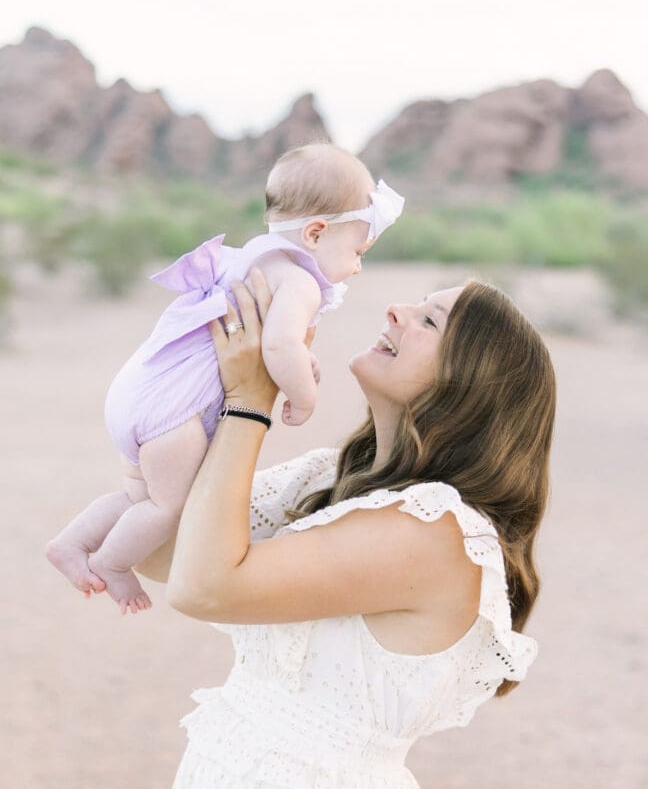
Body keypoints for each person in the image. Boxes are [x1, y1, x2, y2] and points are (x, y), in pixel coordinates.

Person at [114, 269, 556, 789]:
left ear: (468, 384)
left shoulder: (433, 529)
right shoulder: (334, 479)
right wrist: (192, 383)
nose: (397, 309)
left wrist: (250, 404)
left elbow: (203, 588)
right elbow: (165, 552)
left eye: (431, 320)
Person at [45, 144, 404, 615]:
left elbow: (280, 344)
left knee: (140, 497)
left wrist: (301, 359)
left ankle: (71, 543)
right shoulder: (299, 281)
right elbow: (277, 347)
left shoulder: (250, 256)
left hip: (143, 389)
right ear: (316, 233)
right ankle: (112, 563)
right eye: (358, 251)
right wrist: (304, 394)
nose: (356, 266)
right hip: (175, 414)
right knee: (167, 508)